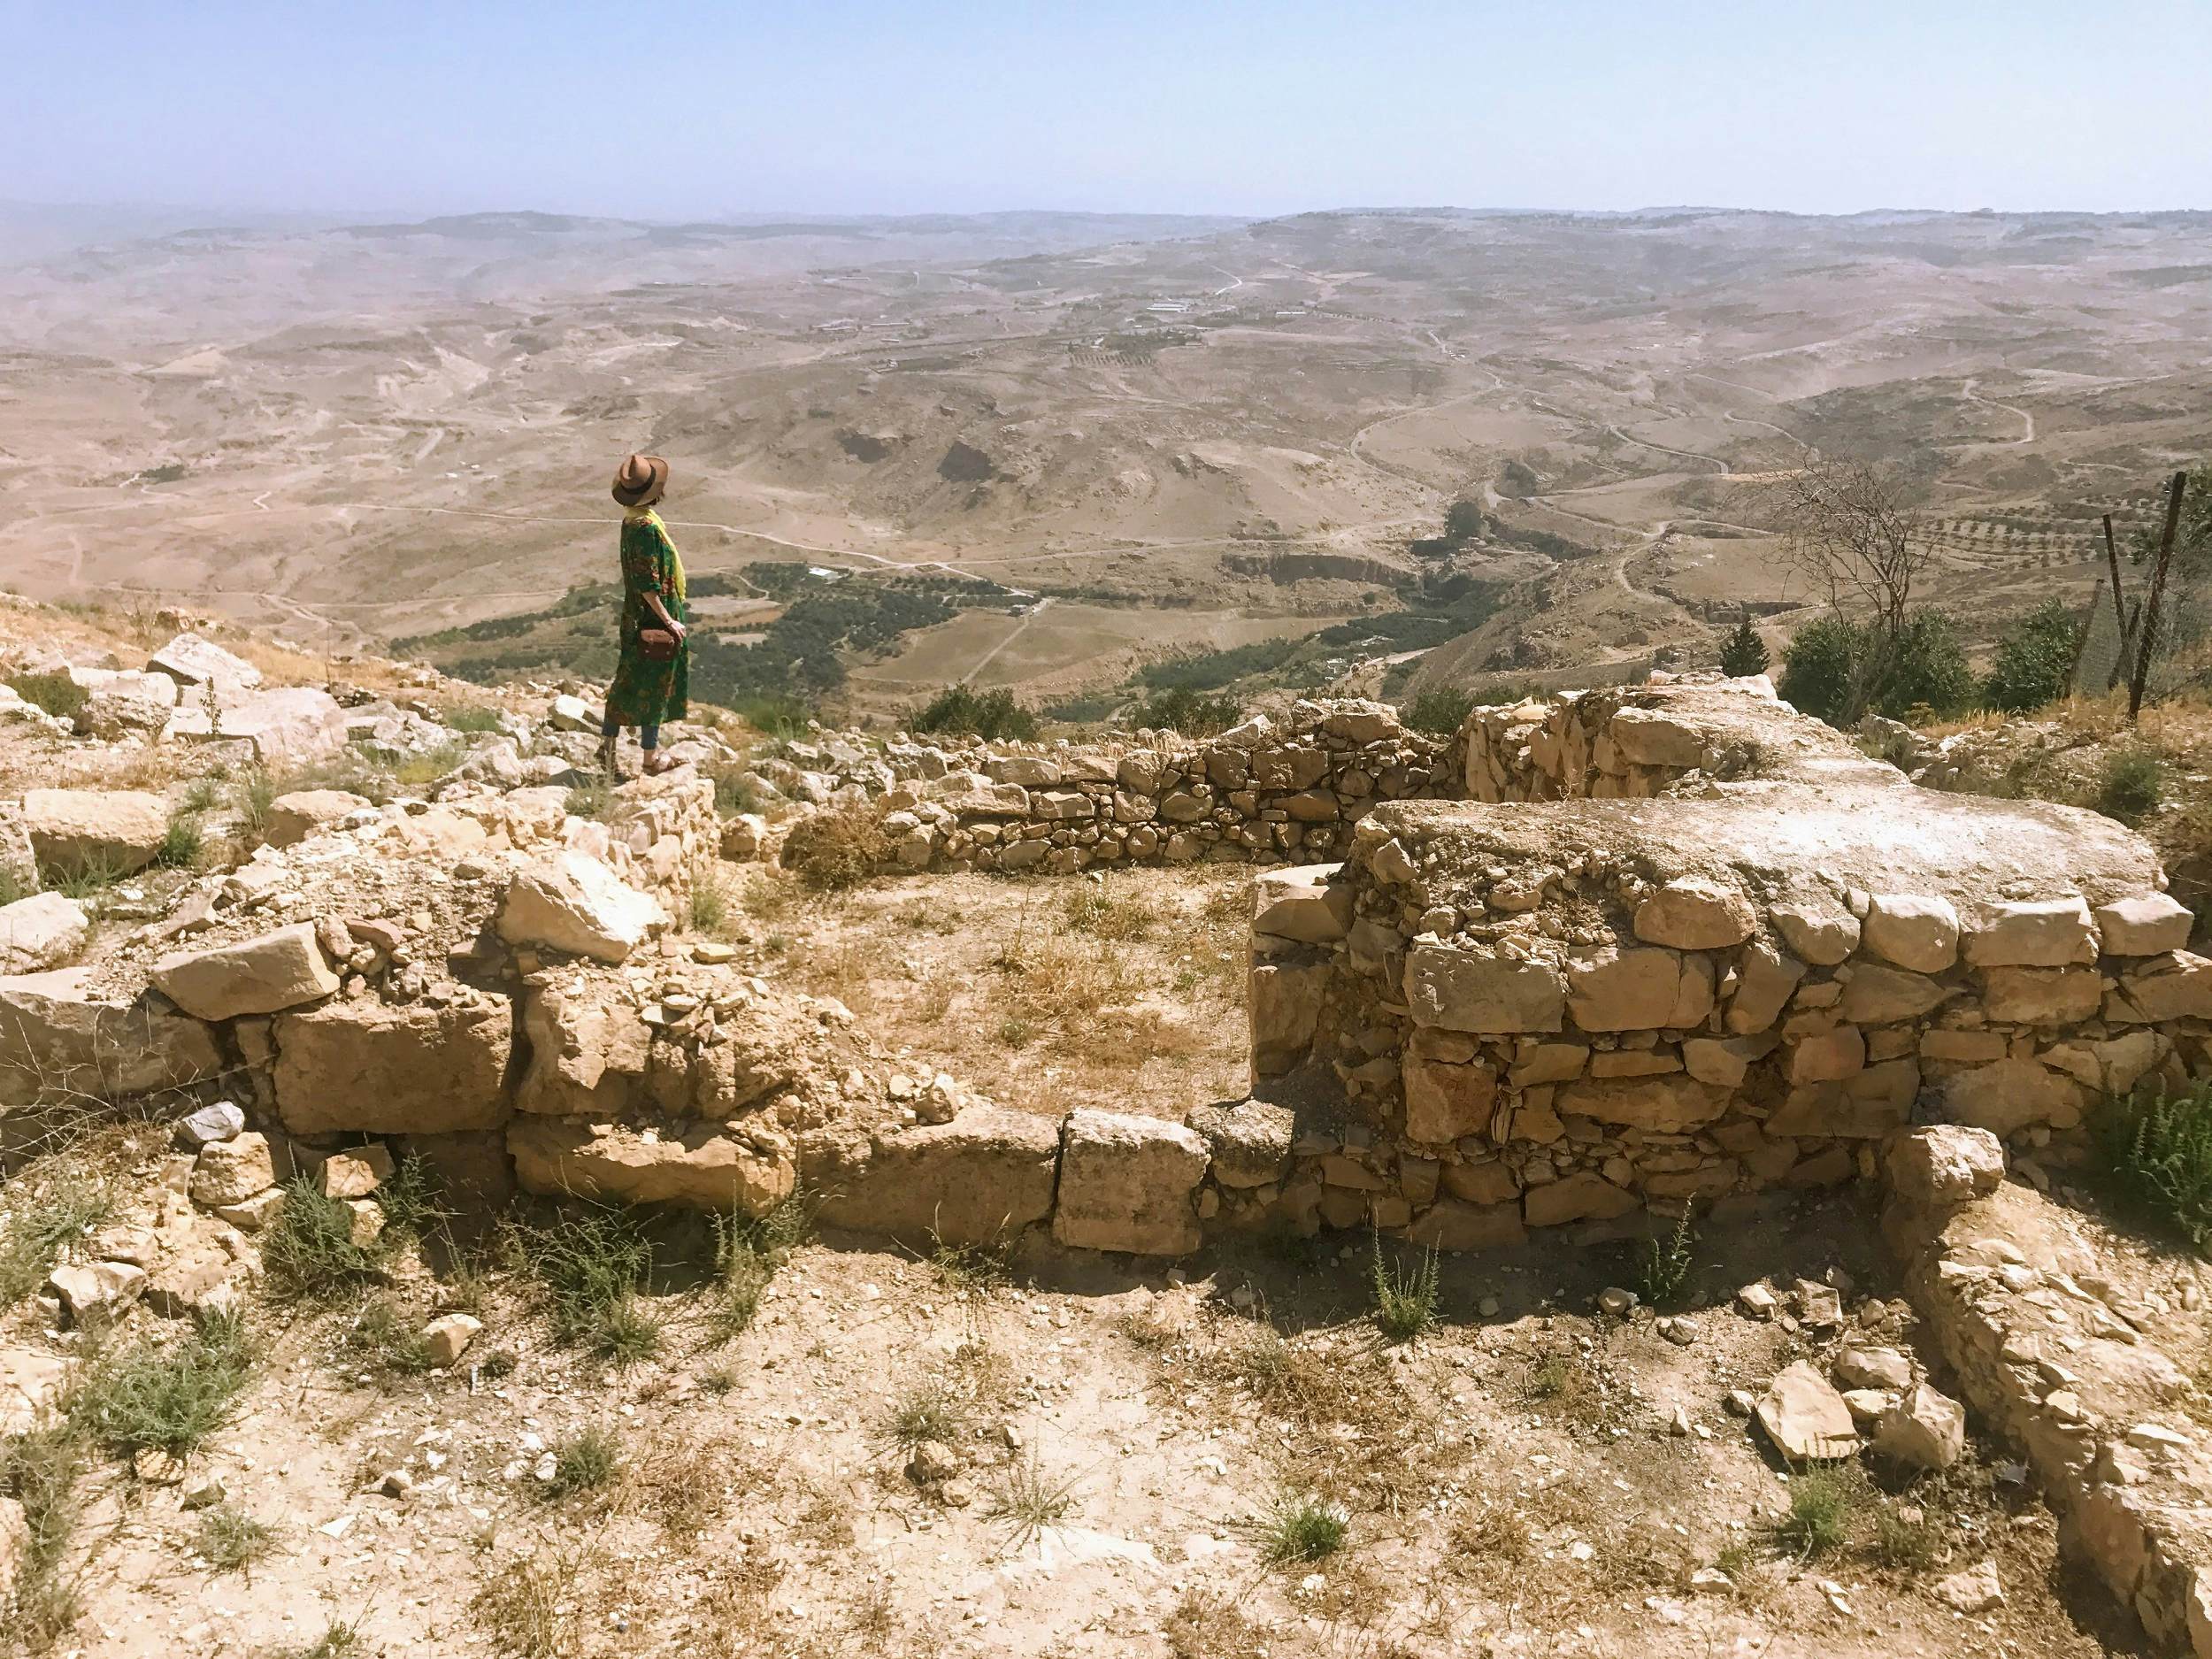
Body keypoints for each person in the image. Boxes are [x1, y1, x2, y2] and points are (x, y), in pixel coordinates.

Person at [601, 452, 689, 776]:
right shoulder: (646, 529)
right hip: (653, 617)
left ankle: (607, 749)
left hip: (636, 615)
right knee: (655, 684)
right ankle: (650, 760)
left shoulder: (632, 520)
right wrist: (668, 621)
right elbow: (647, 583)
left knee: (628, 680)